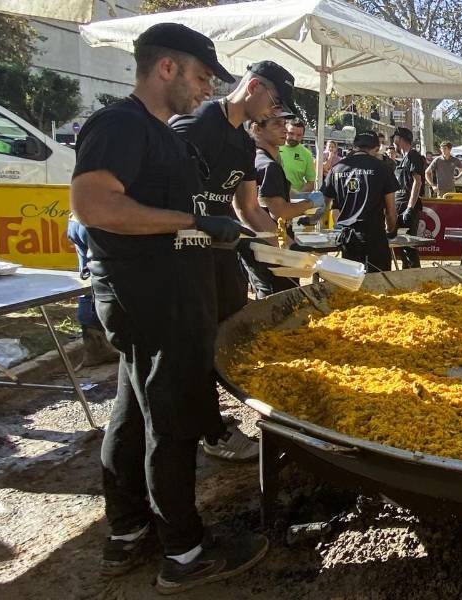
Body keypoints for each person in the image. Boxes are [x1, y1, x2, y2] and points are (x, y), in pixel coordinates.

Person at [68, 22, 267, 592]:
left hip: (161, 290)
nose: (207, 90)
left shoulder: (161, 132)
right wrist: (192, 221)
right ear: (167, 68)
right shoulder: (120, 123)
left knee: (133, 412)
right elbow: (93, 204)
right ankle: (184, 552)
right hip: (150, 294)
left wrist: (212, 230)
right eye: (202, 76)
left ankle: (128, 530)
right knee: (173, 420)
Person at [170, 59, 298, 462]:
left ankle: (210, 418)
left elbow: (247, 208)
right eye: (274, 101)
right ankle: (208, 430)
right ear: (254, 86)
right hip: (183, 257)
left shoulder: (244, 142)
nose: (274, 113)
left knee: (225, 331)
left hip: (223, 254)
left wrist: (280, 251)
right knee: (196, 339)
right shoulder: (194, 125)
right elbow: (166, 198)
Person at [246, 115, 312, 295]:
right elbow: (280, 212)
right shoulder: (268, 166)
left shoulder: (257, 159)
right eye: (277, 124)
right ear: (257, 129)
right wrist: (311, 203)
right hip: (274, 250)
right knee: (281, 299)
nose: (284, 129)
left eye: (284, 124)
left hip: (261, 245)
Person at [320, 131, 399, 272]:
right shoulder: (383, 168)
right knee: (380, 283)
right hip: (375, 235)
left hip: (349, 237)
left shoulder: (337, 169)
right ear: (376, 147)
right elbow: (391, 211)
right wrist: (391, 231)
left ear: (355, 146)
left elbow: (323, 205)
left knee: (352, 285)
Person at [66, 219, 118, 367]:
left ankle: (95, 348)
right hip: (101, 224)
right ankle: (100, 347)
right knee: (111, 279)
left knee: (89, 279)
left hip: (77, 222)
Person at [390, 127, 426, 268]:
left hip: (407, 207)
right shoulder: (403, 159)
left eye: (394, 139)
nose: (393, 143)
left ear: (399, 139)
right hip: (398, 206)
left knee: (409, 247)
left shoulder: (413, 156)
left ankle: (414, 276)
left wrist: (410, 208)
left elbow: (418, 181)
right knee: (402, 248)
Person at [278, 120, 315, 193]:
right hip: (272, 197)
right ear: (285, 131)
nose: (294, 138)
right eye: (291, 133)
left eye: (299, 135)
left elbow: (310, 183)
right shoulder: (274, 147)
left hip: (293, 202)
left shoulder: (307, 154)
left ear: (303, 136)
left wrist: (297, 197)